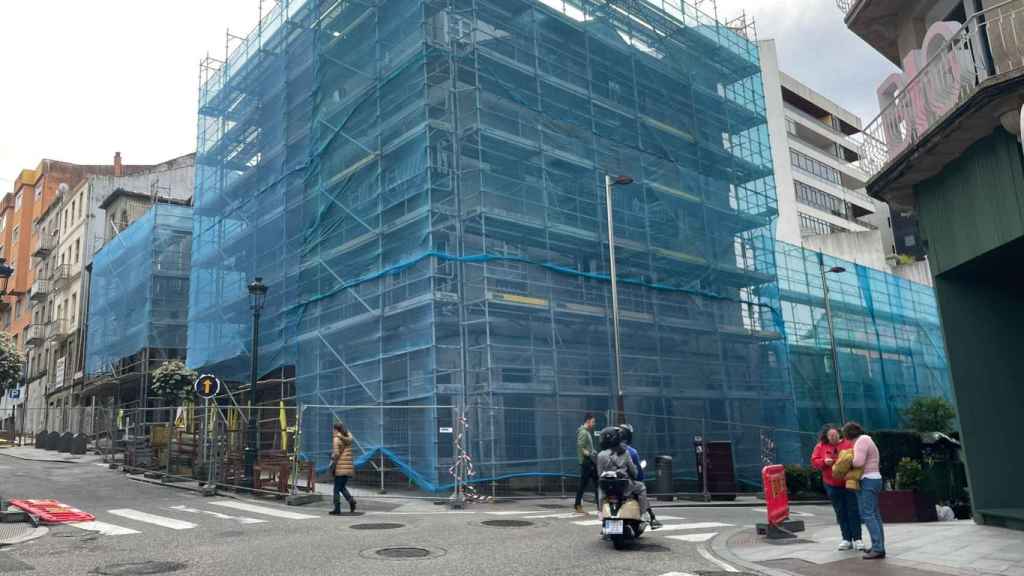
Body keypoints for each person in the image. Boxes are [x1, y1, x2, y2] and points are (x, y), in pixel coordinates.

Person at [596, 427, 661, 529]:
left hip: (607, 489)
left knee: (600, 488)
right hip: (624, 488)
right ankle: (644, 514)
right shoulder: (626, 452)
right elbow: (634, 473)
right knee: (641, 487)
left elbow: (599, 473)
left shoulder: (600, 455)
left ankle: (600, 512)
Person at [811, 425, 863, 551]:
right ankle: (846, 539)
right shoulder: (820, 446)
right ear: (826, 437)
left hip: (848, 482)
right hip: (831, 483)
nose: (833, 438)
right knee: (840, 511)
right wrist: (824, 461)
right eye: (830, 436)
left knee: (853, 509)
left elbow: (857, 458)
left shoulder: (848, 444)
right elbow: (814, 461)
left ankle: (857, 538)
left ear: (839, 434)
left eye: (835, 435)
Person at [843, 421, 885, 560]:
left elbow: (858, 462)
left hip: (868, 480)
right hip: (874, 479)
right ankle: (878, 546)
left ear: (847, 434)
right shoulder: (866, 439)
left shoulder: (861, 441)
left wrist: (846, 460)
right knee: (874, 514)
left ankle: (878, 548)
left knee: (867, 514)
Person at [330, 422, 357, 515]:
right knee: (341, 487)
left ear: (336, 430)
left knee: (336, 489)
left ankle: (337, 509)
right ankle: (351, 501)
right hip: (348, 467)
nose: (332, 431)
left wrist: (332, 457)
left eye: (333, 429)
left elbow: (336, 454)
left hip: (340, 467)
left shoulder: (336, 439)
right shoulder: (348, 438)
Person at [574, 413, 598, 513]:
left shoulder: (586, 431)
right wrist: (588, 454)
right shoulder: (583, 432)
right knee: (586, 484)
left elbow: (584, 446)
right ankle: (578, 505)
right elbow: (580, 446)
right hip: (587, 462)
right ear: (588, 421)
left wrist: (592, 451)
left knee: (597, 483)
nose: (594, 424)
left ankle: (600, 506)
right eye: (593, 421)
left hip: (589, 461)